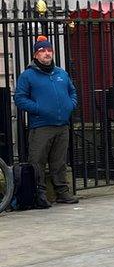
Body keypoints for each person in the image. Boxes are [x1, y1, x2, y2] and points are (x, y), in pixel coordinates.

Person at [14, 35, 79, 207]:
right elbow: (20, 98)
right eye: (42, 51)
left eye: (49, 50)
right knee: (37, 161)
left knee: (59, 162)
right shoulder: (27, 75)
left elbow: (73, 92)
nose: (47, 53)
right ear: (36, 55)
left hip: (62, 125)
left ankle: (62, 192)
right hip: (41, 126)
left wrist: (70, 105)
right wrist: (38, 109)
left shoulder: (61, 73)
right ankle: (39, 194)